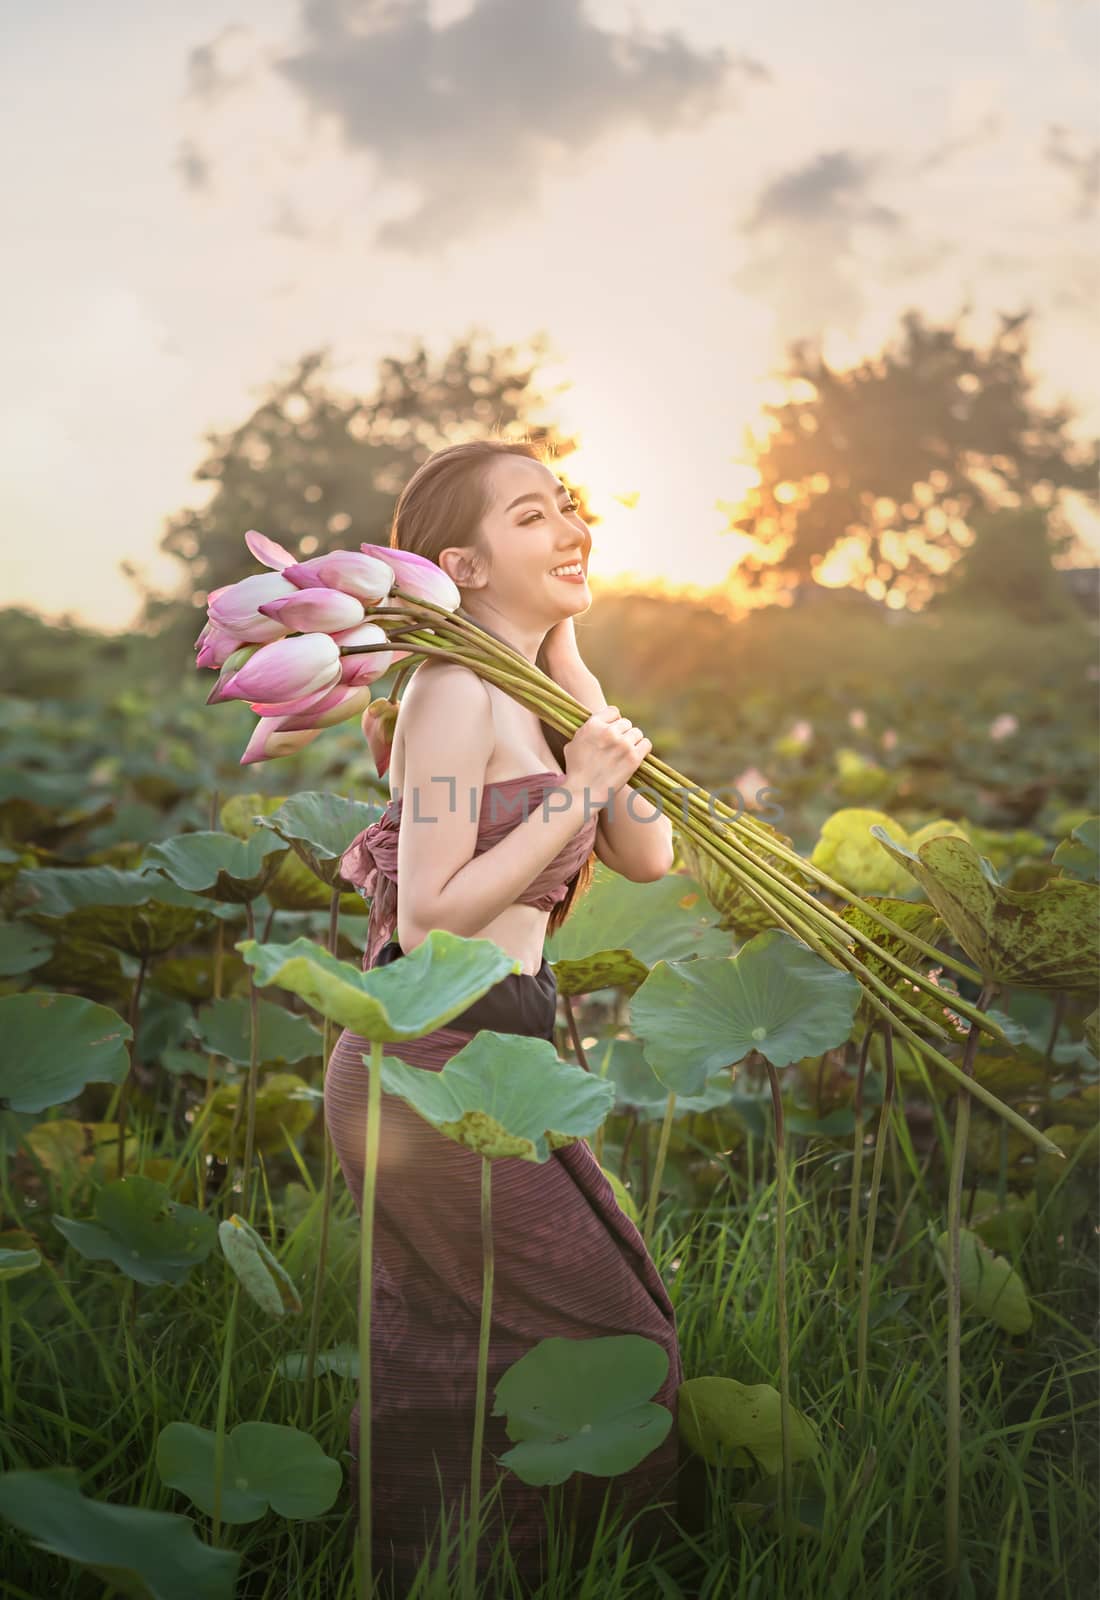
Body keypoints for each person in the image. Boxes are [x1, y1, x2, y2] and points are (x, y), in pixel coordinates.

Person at [325, 439, 688, 1591]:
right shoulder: (448, 692)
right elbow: (431, 915)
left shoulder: (535, 692)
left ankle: (459, 1571)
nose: (571, 527)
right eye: (533, 517)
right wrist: (573, 789)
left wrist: (576, 677)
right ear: (462, 565)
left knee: (462, 1353)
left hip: (506, 1044)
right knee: (618, 1343)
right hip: (428, 1052)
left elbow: (649, 851)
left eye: (570, 506)